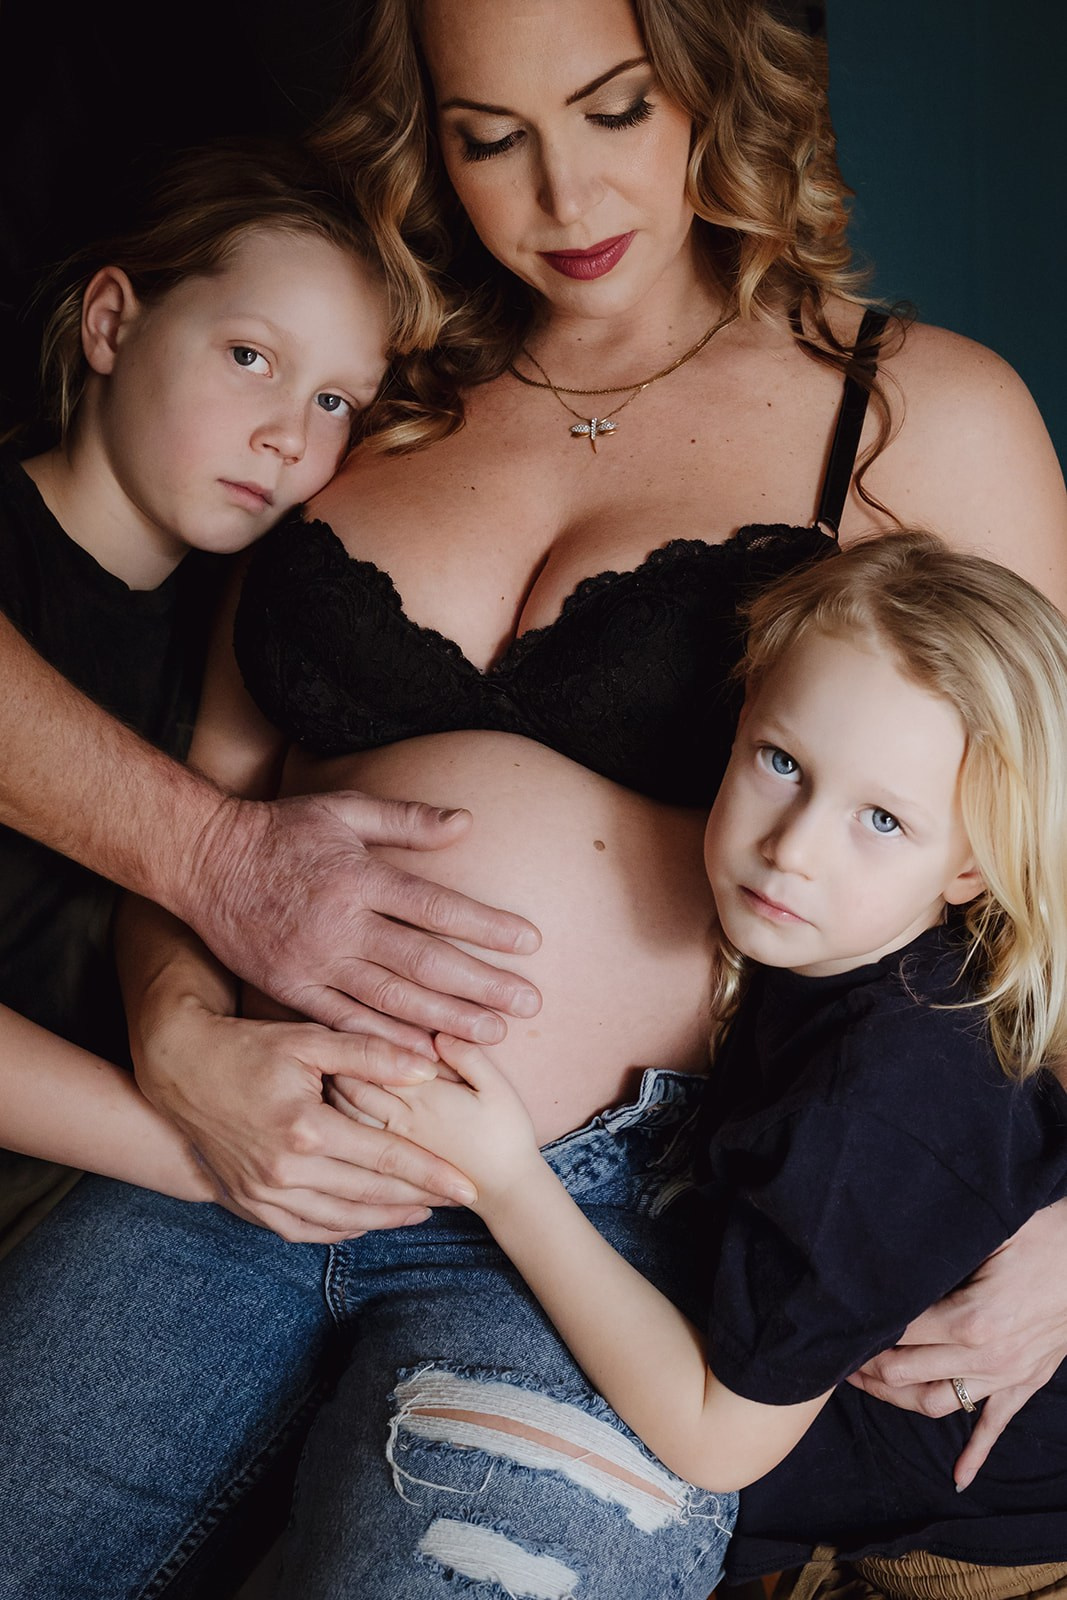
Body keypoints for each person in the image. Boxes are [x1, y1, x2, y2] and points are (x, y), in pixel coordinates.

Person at [0, 1, 1066, 1595]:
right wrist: (187, 1041)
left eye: (614, 110)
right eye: (488, 138)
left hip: (625, 1226)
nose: (560, 199)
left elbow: (1039, 868)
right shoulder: (362, 386)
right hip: (252, 1145)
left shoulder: (919, 413)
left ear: (710, 90)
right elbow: (214, 797)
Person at [348, 531, 1067, 1598]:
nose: (792, 846)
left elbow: (716, 1439)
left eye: (879, 818)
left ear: (969, 862)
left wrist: (506, 1175)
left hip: (971, 1548)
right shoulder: (860, 954)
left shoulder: (881, 1094)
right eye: (779, 763)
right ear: (738, 725)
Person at [0, 139, 433, 1249]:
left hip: (89, 1223)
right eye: (250, 356)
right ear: (111, 322)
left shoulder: (243, 627)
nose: (290, 434)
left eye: (337, 398)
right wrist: (205, 1153)